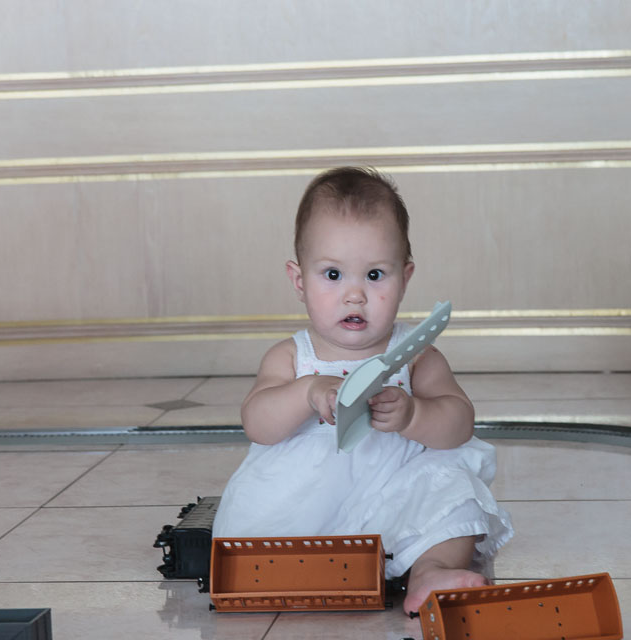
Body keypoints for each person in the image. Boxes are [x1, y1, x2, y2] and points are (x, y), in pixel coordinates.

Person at [212, 166, 514, 614]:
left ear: (405, 278)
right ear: (299, 281)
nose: (355, 295)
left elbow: (459, 423)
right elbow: (257, 424)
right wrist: (306, 392)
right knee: (260, 522)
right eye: (333, 275)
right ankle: (297, 568)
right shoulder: (292, 357)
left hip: (394, 506)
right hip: (304, 514)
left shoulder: (415, 355)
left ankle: (429, 570)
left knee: (451, 480)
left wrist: (414, 415)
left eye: (374, 275)